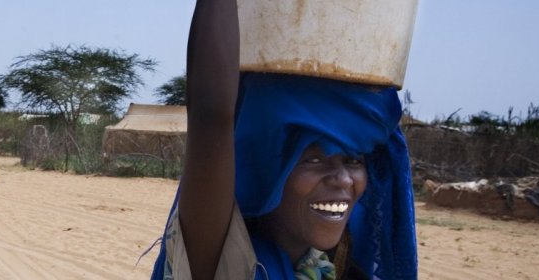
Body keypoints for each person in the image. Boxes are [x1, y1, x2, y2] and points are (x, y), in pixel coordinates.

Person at [149, 1, 417, 279]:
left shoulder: (331, 272)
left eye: (353, 160)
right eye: (313, 159)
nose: (343, 179)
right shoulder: (226, 261)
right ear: (269, 173)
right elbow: (211, 117)